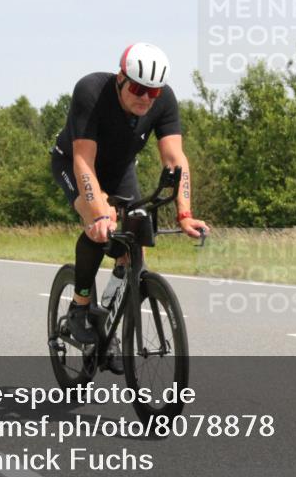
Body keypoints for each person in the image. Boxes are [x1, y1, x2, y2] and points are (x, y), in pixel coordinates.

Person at [50, 43, 209, 364]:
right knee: (98, 226)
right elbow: (83, 161)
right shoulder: (91, 91)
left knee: (135, 247)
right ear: (121, 78)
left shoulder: (163, 101)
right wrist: (100, 212)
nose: (145, 98)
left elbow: (175, 159)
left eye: (153, 92)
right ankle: (80, 307)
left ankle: (108, 322)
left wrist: (185, 213)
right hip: (74, 163)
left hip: (121, 170)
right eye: (138, 88)